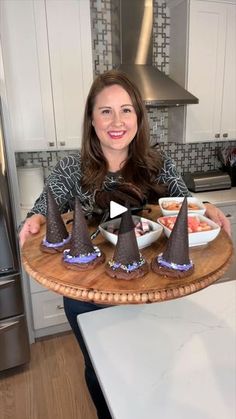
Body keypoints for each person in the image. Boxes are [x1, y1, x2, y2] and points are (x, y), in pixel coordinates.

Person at [19, 70, 231, 418]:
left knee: (151, 364)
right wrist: (36, 218)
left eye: (126, 110)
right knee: (100, 369)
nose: (116, 121)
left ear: (138, 117)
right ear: (91, 118)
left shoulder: (157, 163)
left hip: (152, 289)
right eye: (106, 111)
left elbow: (183, 200)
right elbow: (46, 206)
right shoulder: (72, 167)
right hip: (87, 294)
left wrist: (204, 207)